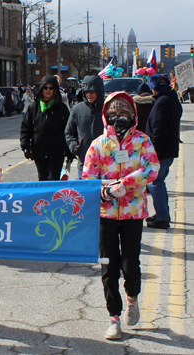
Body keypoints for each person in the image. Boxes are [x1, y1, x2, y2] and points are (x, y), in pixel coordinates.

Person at [82, 91, 159, 340]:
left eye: (124, 112)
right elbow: (88, 178)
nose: (119, 117)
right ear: (106, 116)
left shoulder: (142, 141)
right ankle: (113, 317)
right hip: (105, 214)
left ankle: (132, 297)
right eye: (114, 113)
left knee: (130, 265)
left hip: (133, 213)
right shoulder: (99, 144)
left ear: (133, 115)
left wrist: (126, 183)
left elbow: (153, 167)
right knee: (109, 266)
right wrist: (104, 192)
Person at [145, 74, 182, 229]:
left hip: (161, 151)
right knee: (159, 183)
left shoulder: (162, 102)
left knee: (155, 183)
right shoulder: (173, 99)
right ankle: (162, 213)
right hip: (169, 150)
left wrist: (153, 153)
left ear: (154, 88)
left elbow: (159, 130)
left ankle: (162, 217)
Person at [20, 75, 71, 181]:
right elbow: (26, 129)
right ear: (41, 89)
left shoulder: (62, 108)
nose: (48, 90)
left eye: (51, 88)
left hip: (57, 152)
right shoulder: (33, 107)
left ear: (55, 90)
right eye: (45, 87)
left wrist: (69, 151)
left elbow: (69, 131)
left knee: (54, 179)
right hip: (39, 151)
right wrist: (25, 147)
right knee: (42, 179)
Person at [65, 75, 105, 179]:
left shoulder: (107, 108)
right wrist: (74, 147)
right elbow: (69, 132)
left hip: (107, 164)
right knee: (86, 195)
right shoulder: (77, 109)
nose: (89, 95)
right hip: (84, 164)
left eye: (92, 91)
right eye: (86, 92)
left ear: (99, 91)